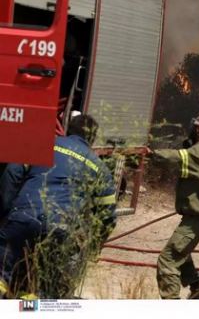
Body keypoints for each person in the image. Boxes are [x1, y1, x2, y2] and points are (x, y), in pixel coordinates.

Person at [0, 114, 116, 299]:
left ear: (68, 130)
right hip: (61, 230)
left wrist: (5, 210)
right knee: (40, 289)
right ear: (92, 139)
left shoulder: (43, 144)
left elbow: (12, 173)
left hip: (23, 218)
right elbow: (108, 216)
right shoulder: (99, 168)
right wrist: (94, 246)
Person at [150, 112, 199, 300]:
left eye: (194, 126)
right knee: (182, 250)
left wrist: (151, 154)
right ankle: (197, 291)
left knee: (168, 260)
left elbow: (175, 158)